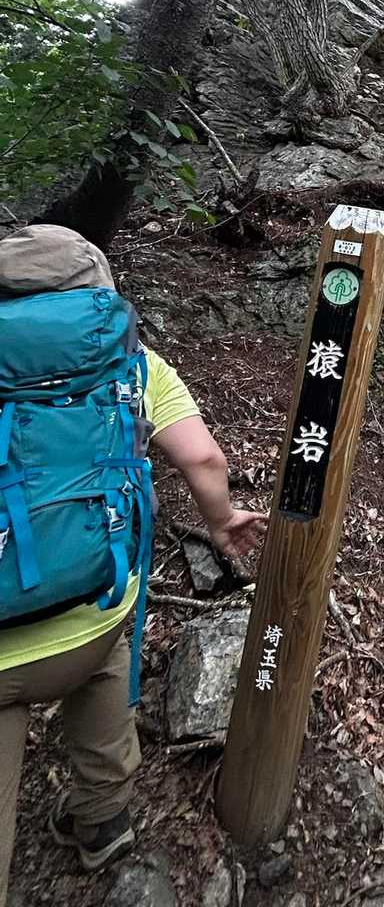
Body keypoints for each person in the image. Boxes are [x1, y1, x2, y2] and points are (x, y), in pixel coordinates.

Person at [0, 225, 266, 901]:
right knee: (105, 664)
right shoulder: (130, 362)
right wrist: (221, 522)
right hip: (98, 604)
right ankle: (103, 821)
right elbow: (203, 458)